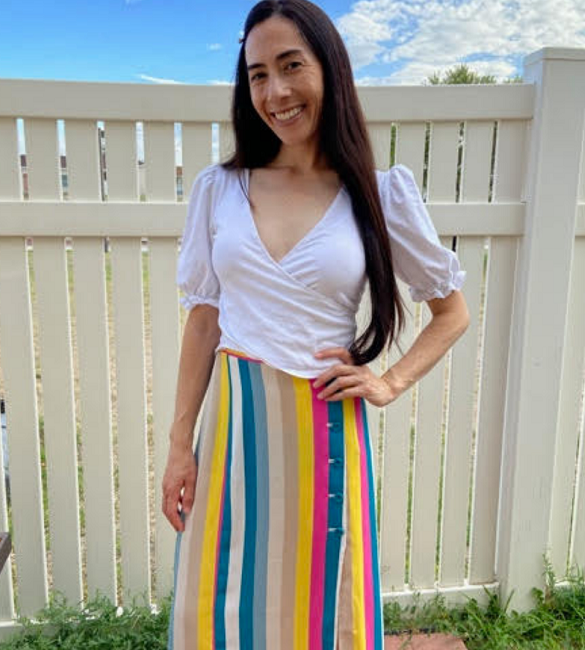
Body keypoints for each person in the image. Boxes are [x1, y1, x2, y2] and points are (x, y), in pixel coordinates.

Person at [162, 0, 469, 648]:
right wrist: (178, 444)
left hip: (326, 432)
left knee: (326, 614)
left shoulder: (379, 195)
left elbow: (452, 312)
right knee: (217, 609)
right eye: (257, 74)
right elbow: (203, 320)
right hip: (235, 435)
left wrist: (389, 382)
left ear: (328, 68)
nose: (275, 91)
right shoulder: (219, 190)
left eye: (290, 66)